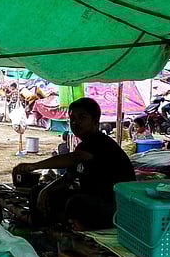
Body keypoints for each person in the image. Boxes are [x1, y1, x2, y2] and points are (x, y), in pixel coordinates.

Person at [13, 97, 135, 231]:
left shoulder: (100, 143)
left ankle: (75, 230)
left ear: (95, 121)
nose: (76, 122)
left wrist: (35, 166)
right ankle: (41, 233)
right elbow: (67, 179)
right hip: (92, 199)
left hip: (116, 206)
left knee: (76, 202)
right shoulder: (82, 146)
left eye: (82, 117)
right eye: (73, 119)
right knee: (38, 191)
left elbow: (74, 157)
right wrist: (45, 190)